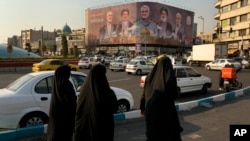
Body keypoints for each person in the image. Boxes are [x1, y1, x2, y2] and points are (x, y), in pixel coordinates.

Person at [140, 56, 183, 141]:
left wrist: (142, 108)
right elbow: (173, 94)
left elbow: (144, 94)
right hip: (165, 115)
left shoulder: (150, 76)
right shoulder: (169, 77)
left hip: (151, 113)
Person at [73, 64, 118, 141]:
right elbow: (114, 109)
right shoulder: (108, 92)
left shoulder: (83, 91)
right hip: (103, 132)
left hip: (85, 131)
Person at [47, 65, 77, 141]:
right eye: (68, 72)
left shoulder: (57, 83)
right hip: (65, 117)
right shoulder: (66, 84)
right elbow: (70, 101)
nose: (69, 74)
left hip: (56, 117)